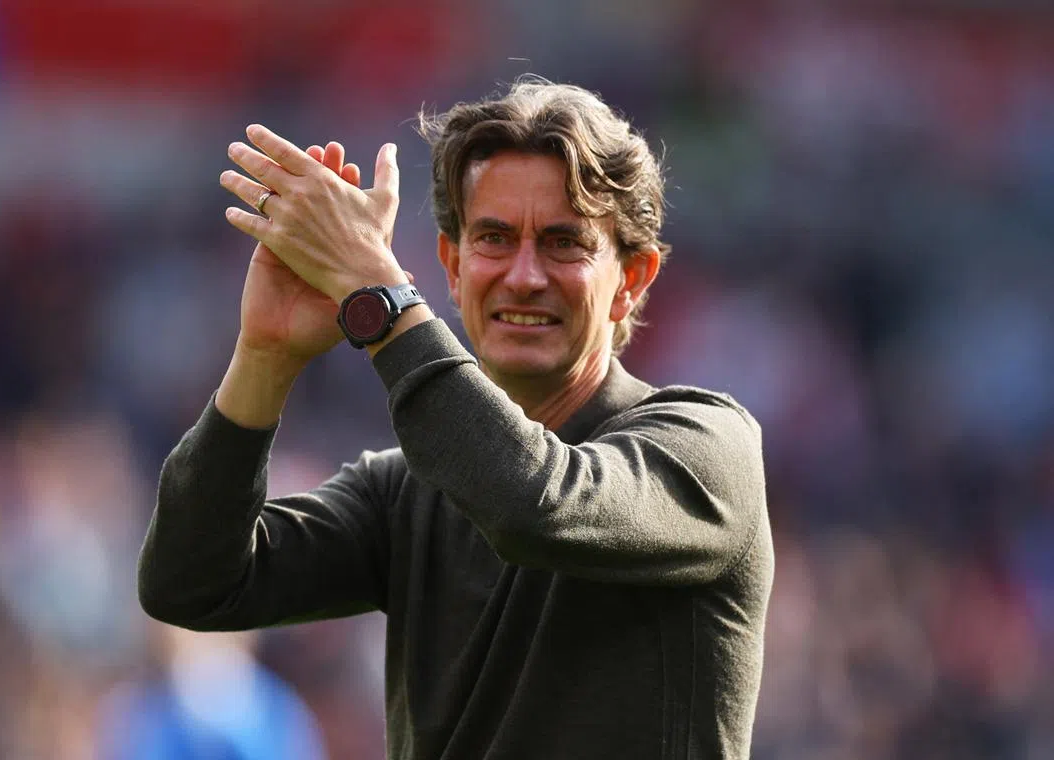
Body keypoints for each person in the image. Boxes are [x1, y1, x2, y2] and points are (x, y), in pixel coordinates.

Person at [138, 79, 773, 760]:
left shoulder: (707, 448)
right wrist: (266, 354)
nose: (524, 275)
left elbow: (533, 503)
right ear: (452, 264)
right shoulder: (403, 492)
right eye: (494, 238)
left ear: (633, 279)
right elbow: (191, 584)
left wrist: (379, 302)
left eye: (563, 243)